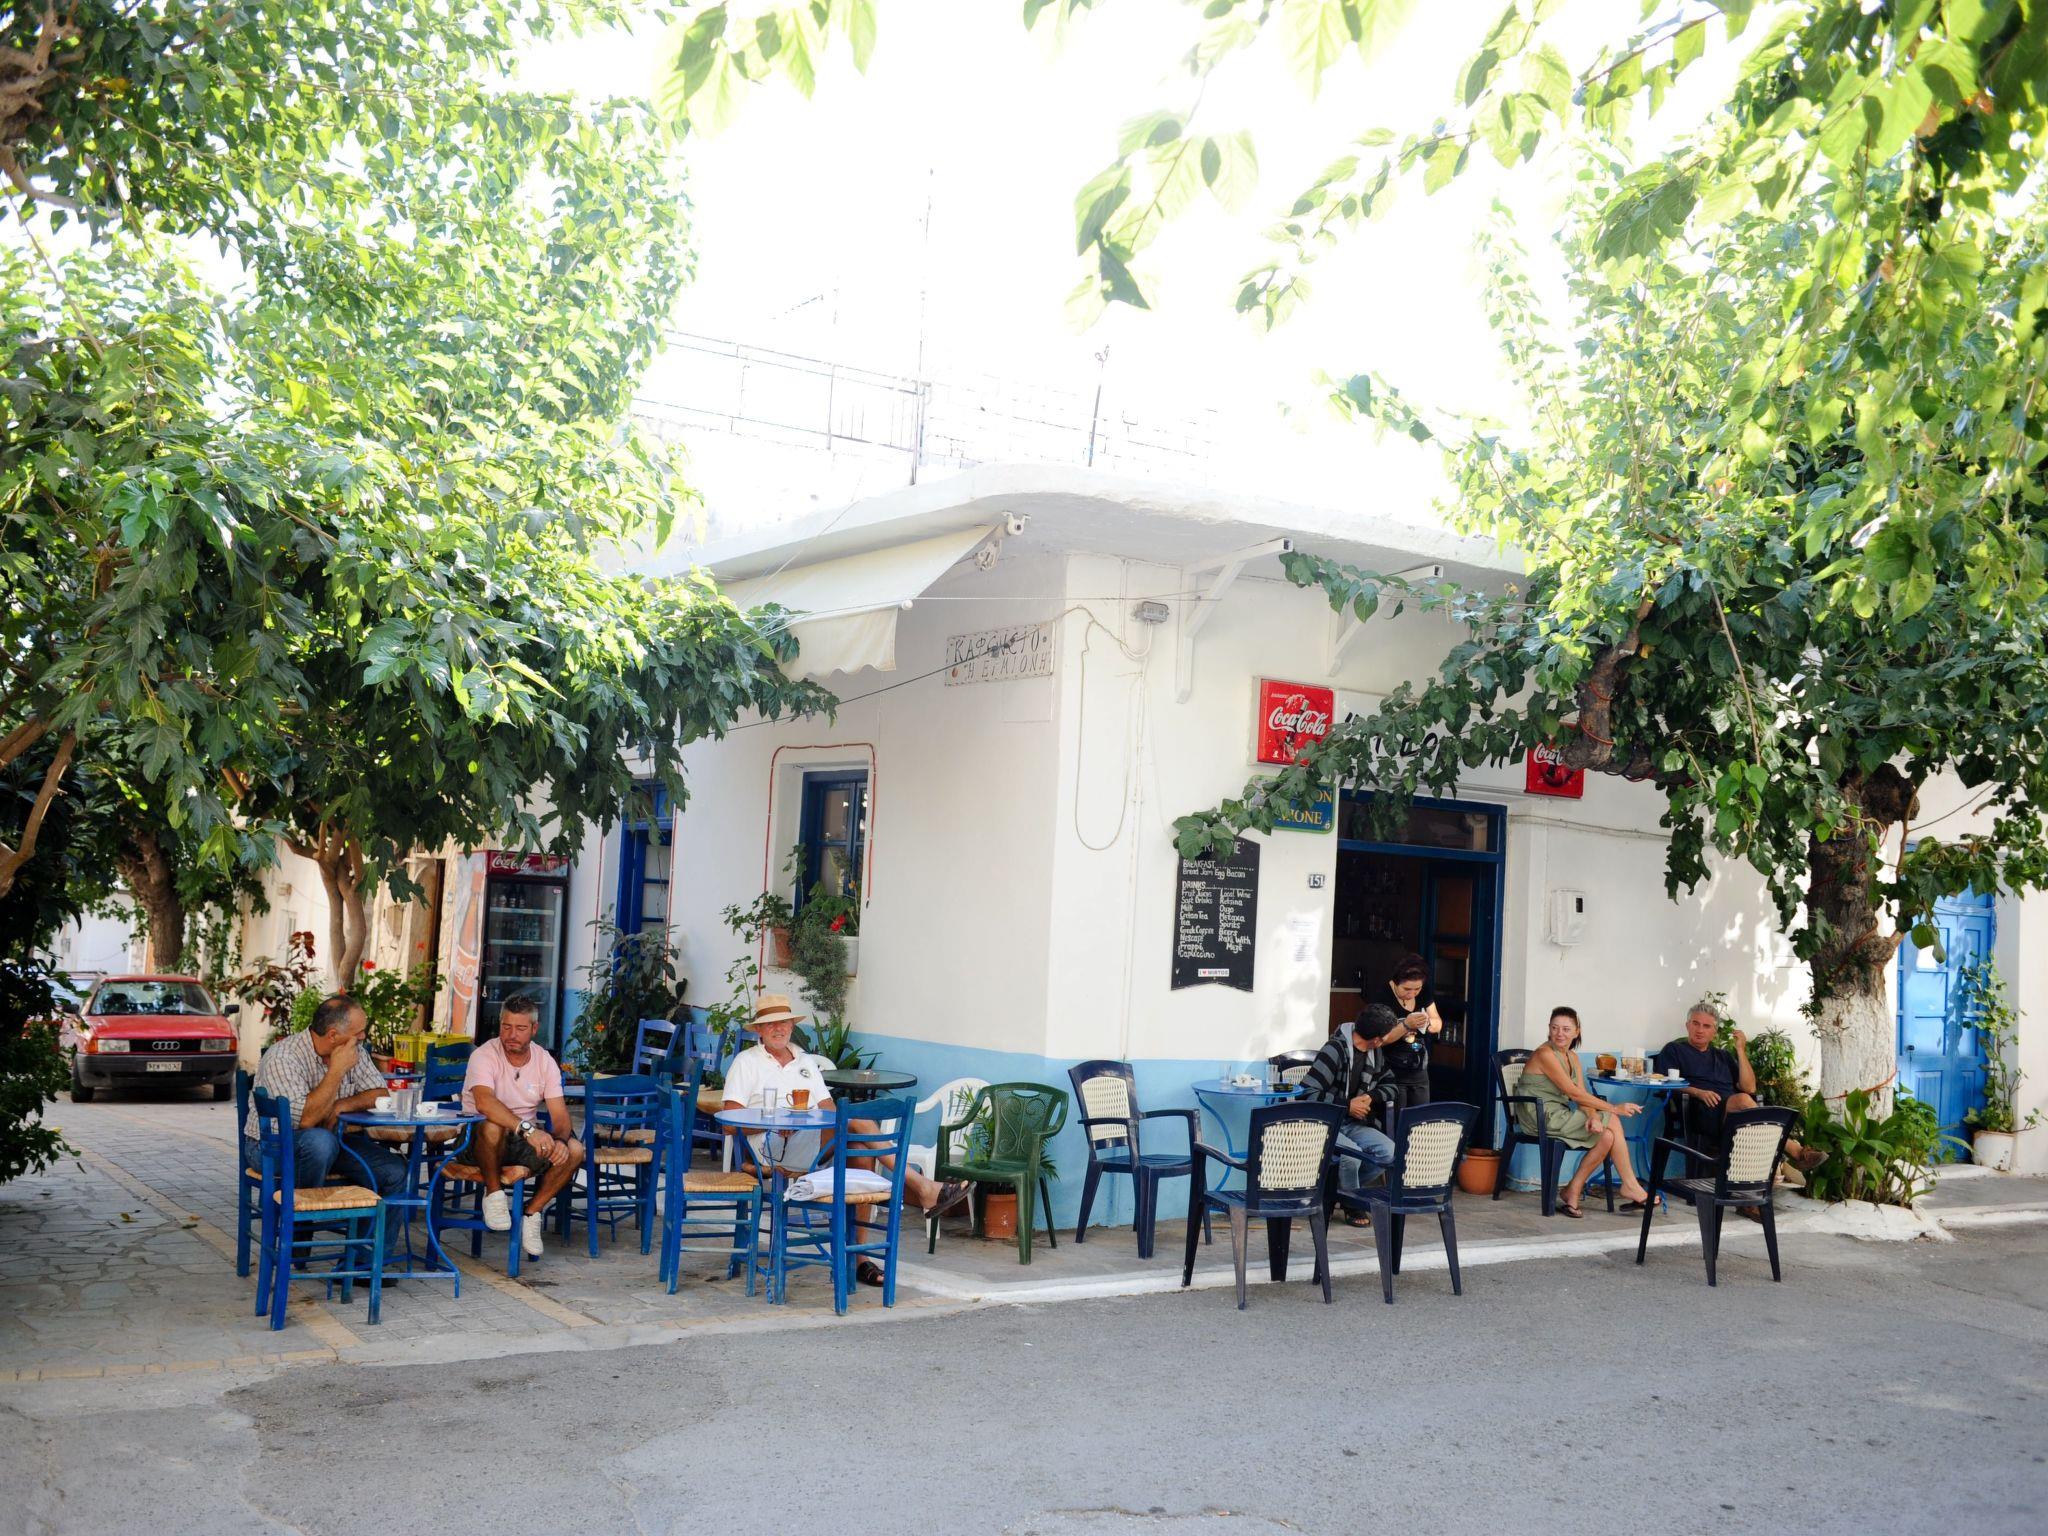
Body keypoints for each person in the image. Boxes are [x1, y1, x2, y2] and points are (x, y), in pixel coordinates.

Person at [722, 994, 963, 1285]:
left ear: (792, 1026)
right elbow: (730, 1124)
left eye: (783, 1022)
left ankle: (857, 1259)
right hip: (770, 1146)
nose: (778, 1028)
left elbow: (829, 1110)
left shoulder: (804, 1060)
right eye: (770, 1023)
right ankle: (922, 1187)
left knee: (859, 1148)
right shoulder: (747, 1062)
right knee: (859, 1121)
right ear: (759, 1029)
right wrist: (779, 1120)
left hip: (811, 1143)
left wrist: (805, 1121)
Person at [245, 993, 408, 1204]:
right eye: (358, 1032)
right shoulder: (283, 1057)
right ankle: (300, 1222)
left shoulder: (353, 1050)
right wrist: (336, 1070)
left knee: (394, 1171)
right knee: (320, 1143)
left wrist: (342, 1104)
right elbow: (306, 1120)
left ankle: (366, 1227)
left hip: (331, 1142)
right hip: (272, 1147)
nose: (363, 1036)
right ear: (332, 1035)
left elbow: (379, 1094)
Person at [460, 994, 583, 1259]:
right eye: (506, 1027)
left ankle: (532, 1212)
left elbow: (560, 1117)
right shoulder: (484, 1055)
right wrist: (528, 1130)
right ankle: (494, 1194)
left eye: (520, 1028)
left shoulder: (544, 1061)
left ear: (534, 1029)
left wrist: (560, 1142)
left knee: (574, 1150)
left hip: (522, 1142)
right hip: (476, 1141)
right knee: (492, 1125)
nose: (511, 1035)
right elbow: (484, 1102)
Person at [1655, 1001, 1827, 1187]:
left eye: (1707, 1026)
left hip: (1734, 1112)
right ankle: (1795, 1151)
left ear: (1714, 1032)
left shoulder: (1722, 1056)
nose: (1700, 1030)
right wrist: (1697, 1092)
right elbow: (1663, 1080)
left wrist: (1740, 1050)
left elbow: (1749, 1087)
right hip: (1700, 1111)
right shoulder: (1675, 1050)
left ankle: (1757, 1186)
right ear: (1687, 1025)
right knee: (1745, 1102)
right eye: (1695, 1023)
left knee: (1750, 1113)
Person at [1514, 1006, 1652, 1217]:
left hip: (1559, 1114)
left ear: (1577, 1031)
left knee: (1607, 1136)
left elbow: (1581, 1094)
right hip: (1540, 1116)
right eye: (1554, 1028)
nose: (1560, 1033)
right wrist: (1613, 1109)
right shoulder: (1545, 1054)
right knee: (1613, 1119)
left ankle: (1572, 1190)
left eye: (1566, 1029)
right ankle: (1630, 1185)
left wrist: (1594, 1116)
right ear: (1549, 1029)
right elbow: (1573, 1093)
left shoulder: (1572, 1057)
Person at [1294, 1003, 1401, 1223]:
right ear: (1377, 1038)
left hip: (1353, 1123)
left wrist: (1371, 1096)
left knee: (1389, 1152)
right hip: (1325, 1122)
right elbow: (1306, 1094)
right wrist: (1347, 1106)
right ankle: (1352, 1204)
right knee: (1350, 1156)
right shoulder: (1334, 1050)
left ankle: (1339, 1191)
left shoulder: (1375, 1053)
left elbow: (1392, 1086)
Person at [1370, 953, 1439, 1118]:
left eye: (1417, 989)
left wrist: (1427, 1023)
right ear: (1395, 982)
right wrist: (1406, 1025)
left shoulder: (1423, 992)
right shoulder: (1382, 996)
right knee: (1395, 1120)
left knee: (1420, 1119)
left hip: (1418, 1066)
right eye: (1407, 989)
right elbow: (1378, 1040)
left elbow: (1437, 1022)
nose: (1412, 994)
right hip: (1390, 1068)